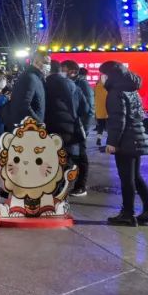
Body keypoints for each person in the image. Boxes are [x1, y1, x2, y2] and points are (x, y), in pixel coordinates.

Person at [100, 60, 148, 226]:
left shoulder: (115, 92)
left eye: (102, 74)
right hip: (137, 137)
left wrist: (112, 142)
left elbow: (118, 119)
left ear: (109, 75)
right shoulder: (131, 89)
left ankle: (127, 214)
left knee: (127, 179)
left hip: (126, 140)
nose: (101, 78)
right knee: (135, 177)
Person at [44, 61, 87, 196]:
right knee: (67, 160)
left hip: (51, 128)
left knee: (54, 161)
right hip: (71, 128)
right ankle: (61, 192)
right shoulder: (73, 85)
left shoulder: (44, 84)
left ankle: (55, 192)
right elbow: (85, 108)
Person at [61, 60, 94, 196]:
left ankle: (81, 186)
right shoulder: (68, 83)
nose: (61, 72)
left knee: (81, 156)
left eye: (63, 69)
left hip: (79, 127)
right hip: (71, 126)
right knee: (71, 156)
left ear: (72, 72)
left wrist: (84, 129)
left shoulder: (82, 84)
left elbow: (89, 109)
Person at [6, 51, 47, 130]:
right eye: (45, 63)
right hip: (28, 128)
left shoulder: (37, 77)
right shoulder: (29, 77)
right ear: (36, 61)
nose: (48, 66)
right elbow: (23, 105)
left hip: (32, 126)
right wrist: (38, 123)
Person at [93, 73, 108, 147]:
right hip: (108, 111)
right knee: (109, 128)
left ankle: (99, 139)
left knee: (100, 127)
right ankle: (109, 141)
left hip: (99, 111)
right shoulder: (108, 87)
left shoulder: (96, 86)